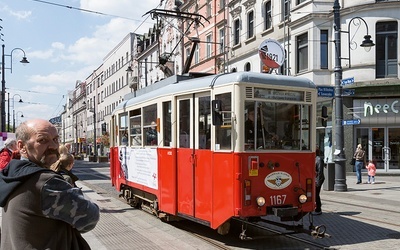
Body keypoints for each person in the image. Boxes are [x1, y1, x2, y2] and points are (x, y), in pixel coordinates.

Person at [0, 119, 100, 249]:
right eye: (42, 140)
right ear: (21, 147)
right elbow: (90, 217)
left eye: (55, 139)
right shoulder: (45, 182)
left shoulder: (13, 174)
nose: (53, 146)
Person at [314, 147, 325, 215]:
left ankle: (318, 209)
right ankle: (317, 207)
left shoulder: (318, 159)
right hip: (316, 179)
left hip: (318, 179)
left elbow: (320, 171)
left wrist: (317, 182)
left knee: (316, 194)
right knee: (315, 194)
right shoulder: (315, 158)